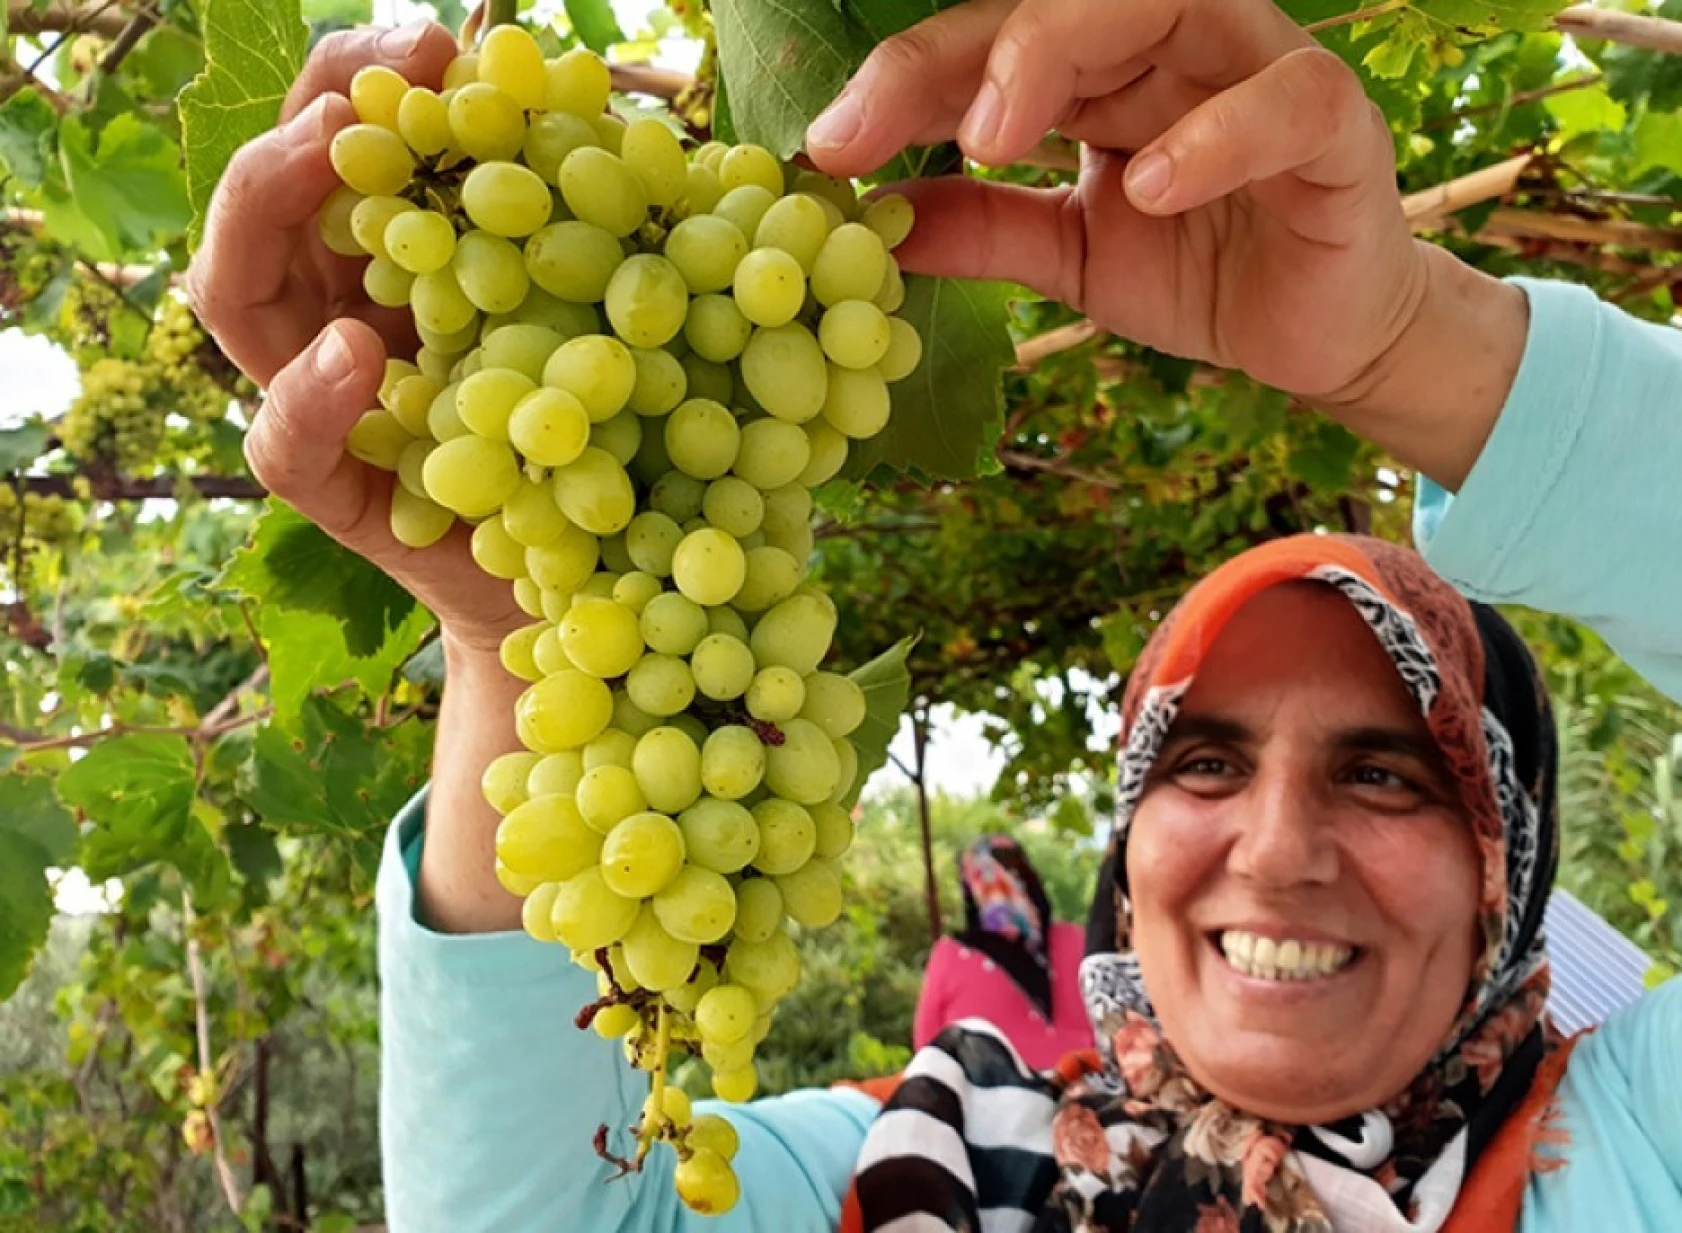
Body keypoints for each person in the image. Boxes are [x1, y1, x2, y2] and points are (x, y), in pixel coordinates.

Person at [183, 0, 1682, 1228]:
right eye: (1203, 762)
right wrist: (525, 629)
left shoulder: (1633, 1158)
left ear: (1507, 863)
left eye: (1385, 773)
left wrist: (1418, 344)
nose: (1276, 850)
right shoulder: (940, 1158)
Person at [913, 835, 1092, 1067]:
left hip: (985, 1096)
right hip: (1087, 1089)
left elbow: (926, 1050)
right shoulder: (1077, 940)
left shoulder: (950, 956)